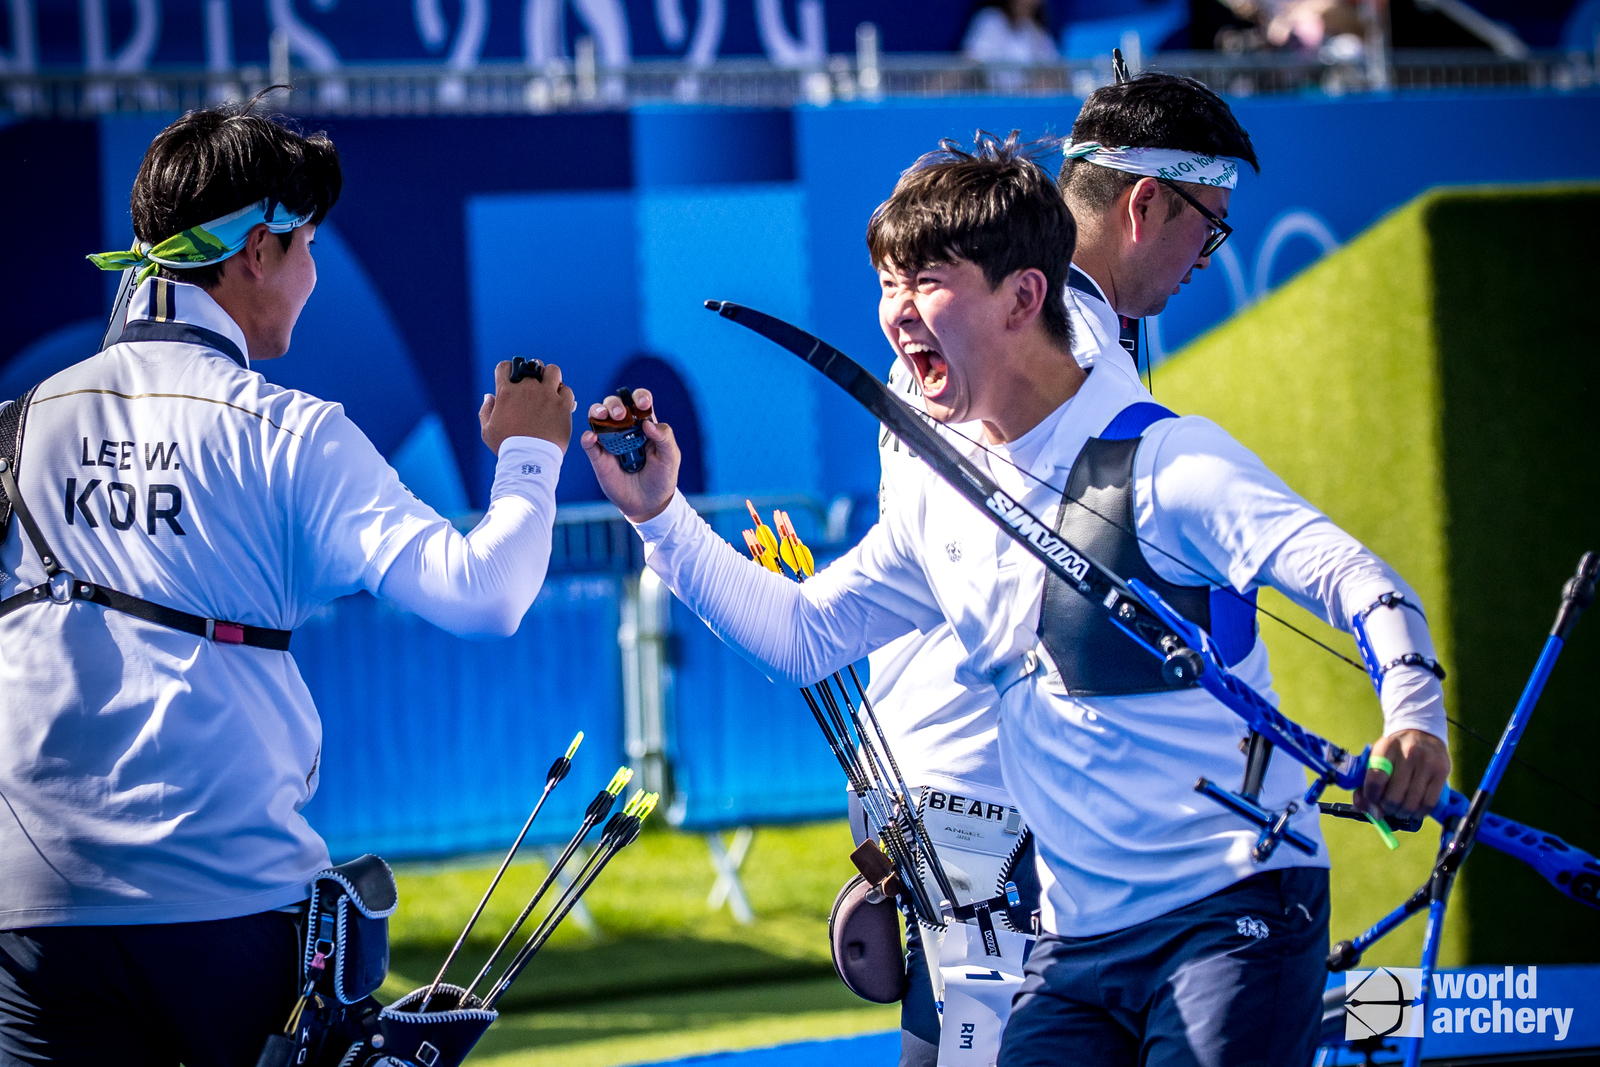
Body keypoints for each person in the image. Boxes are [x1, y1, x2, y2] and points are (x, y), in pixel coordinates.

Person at [582, 124, 1451, 1065]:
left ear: (1024, 296)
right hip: (1076, 945)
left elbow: (1356, 576)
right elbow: (802, 634)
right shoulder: (942, 500)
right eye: (887, 285)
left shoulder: (1163, 460)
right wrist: (658, 514)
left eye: (927, 283)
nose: (897, 315)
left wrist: (1413, 715)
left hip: (1230, 913)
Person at [0, 94, 574, 1066]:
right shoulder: (290, 430)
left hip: (32, 914)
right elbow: (486, 594)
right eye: (306, 247)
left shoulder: (19, 420)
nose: (312, 278)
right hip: (221, 901)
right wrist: (529, 453)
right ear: (256, 249)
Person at [869, 71, 1259, 1067]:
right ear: (1142, 204)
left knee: (954, 1050)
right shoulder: (1063, 341)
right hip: (994, 794)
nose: (1202, 260)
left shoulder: (1019, 320)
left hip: (949, 777)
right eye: (1205, 229)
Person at [962, 0, 1059, 64]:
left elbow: (1055, 68)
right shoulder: (991, 20)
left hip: (1027, 95)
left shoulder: (1037, 30)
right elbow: (971, 63)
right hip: (992, 94)